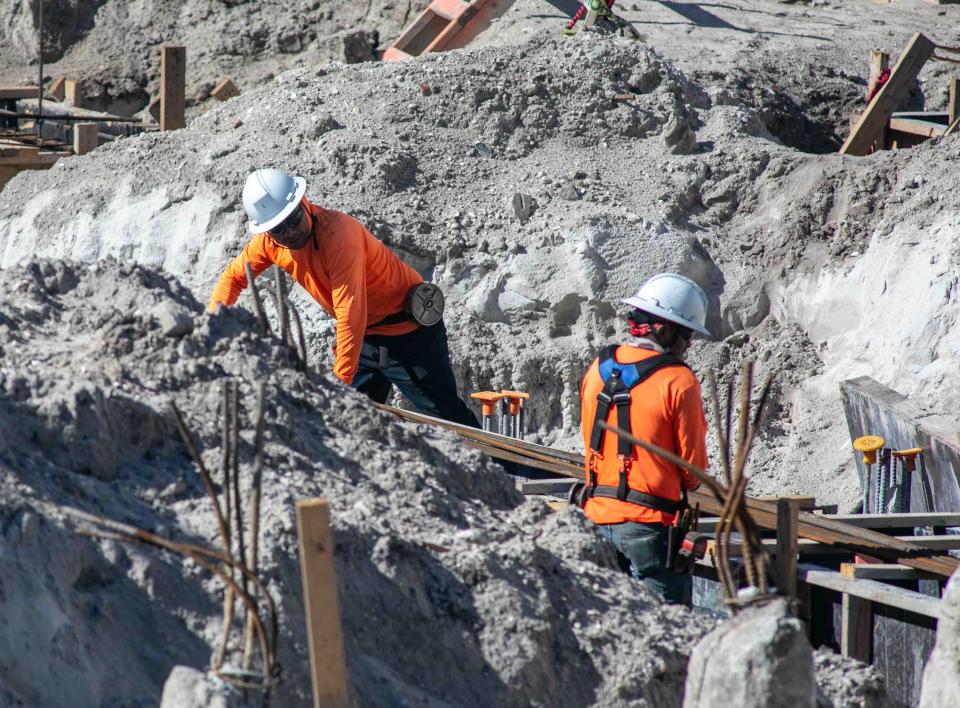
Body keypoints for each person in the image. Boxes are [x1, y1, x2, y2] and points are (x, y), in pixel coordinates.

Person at [208, 168, 479, 428]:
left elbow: (350, 312)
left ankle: (510, 472)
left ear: (304, 202)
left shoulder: (338, 235)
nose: (290, 231)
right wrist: (210, 327)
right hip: (364, 340)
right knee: (346, 420)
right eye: (279, 228)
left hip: (408, 333)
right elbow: (233, 277)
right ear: (267, 232)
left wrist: (340, 381)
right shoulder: (269, 244)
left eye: (294, 219)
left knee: (449, 419)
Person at [575, 273, 710, 604]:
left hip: (594, 516)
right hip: (651, 528)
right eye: (687, 335)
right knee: (669, 635)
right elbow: (692, 474)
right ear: (664, 329)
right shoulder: (679, 381)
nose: (689, 346)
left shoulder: (597, 368)